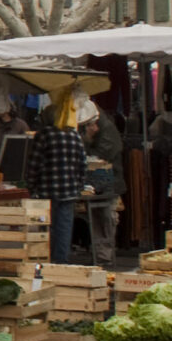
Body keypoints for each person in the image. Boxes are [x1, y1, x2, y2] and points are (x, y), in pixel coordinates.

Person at [24, 101, 91, 264]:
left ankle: (44, 261)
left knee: (46, 228)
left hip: (47, 191)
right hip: (69, 192)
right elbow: (83, 164)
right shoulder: (74, 135)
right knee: (64, 228)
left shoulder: (44, 135)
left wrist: (31, 186)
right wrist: (79, 186)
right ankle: (61, 261)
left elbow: (34, 164)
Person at [83, 104, 125, 264]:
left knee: (107, 217)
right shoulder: (103, 129)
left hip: (110, 181)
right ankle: (101, 254)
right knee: (98, 217)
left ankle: (105, 255)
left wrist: (87, 140)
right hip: (101, 181)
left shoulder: (107, 131)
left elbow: (103, 156)